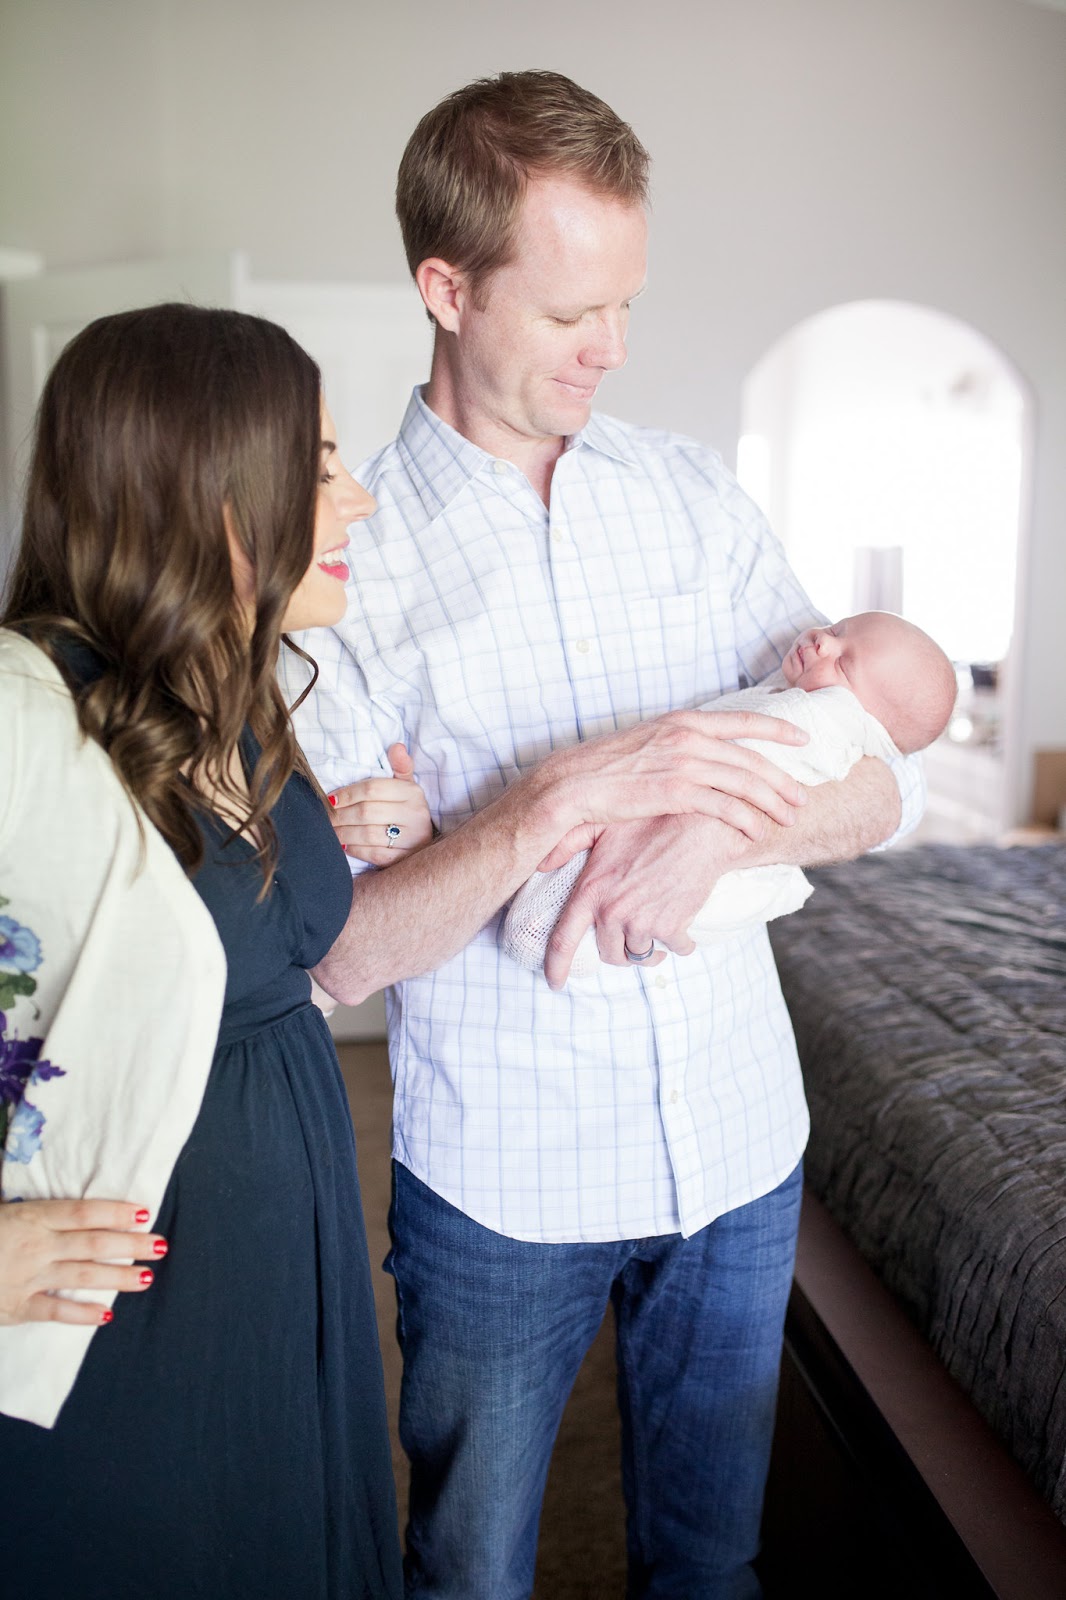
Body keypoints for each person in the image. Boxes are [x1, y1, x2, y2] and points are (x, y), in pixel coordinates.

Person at [0, 302, 757, 1600]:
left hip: (276, 1275)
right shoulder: (21, 711)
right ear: (208, 489)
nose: (356, 501)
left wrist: (363, 841)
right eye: (320, 465)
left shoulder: (226, 696)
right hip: (132, 1323)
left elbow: (252, 930)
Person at [284, 71, 925, 1600]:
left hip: (735, 1142)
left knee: (710, 1569)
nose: (612, 348)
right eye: (573, 311)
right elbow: (350, 945)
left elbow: (873, 773)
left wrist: (709, 833)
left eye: (627, 303)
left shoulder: (692, 496)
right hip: (504, 1180)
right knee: (471, 1575)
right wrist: (560, 801)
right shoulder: (344, 571)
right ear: (444, 288)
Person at [504, 610, 957, 975]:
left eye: (843, 663)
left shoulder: (816, 724)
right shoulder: (788, 687)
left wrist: (707, 832)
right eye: (838, 628)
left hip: (685, 857)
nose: (824, 640)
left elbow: (903, 783)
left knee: (549, 906)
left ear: (865, 720)